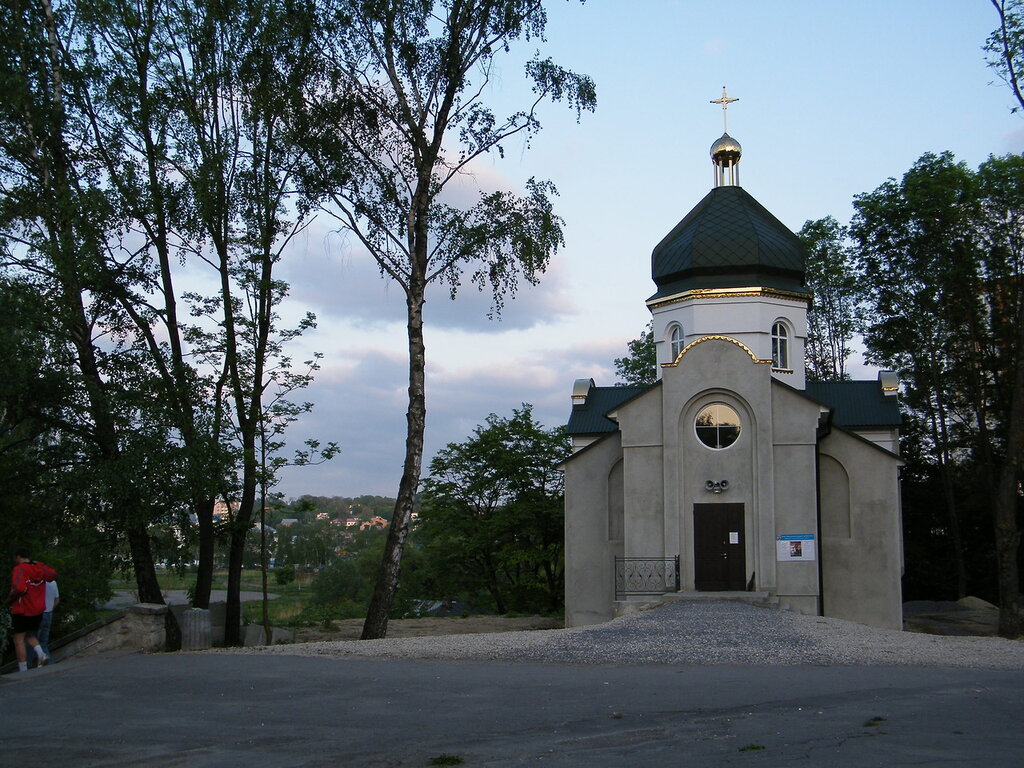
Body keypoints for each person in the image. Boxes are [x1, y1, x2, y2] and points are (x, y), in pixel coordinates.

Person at [7, 548, 57, 672]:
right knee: (30, 634)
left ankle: (23, 669)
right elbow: (53, 575)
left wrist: (10, 599)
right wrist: (39, 566)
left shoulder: (20, 569)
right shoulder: (38, 567)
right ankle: (41, 654)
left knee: (18, 639)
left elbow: (19, 588)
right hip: (38, 609)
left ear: (18, 557)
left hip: (23, 609)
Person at [28, 578, 59, 669]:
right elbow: (57, 600)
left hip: (38, 614)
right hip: (49, 613)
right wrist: (50, 609)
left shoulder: (35, 583)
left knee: (32, 640)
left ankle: (28, 666)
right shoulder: (53, 583)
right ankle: (48, 663)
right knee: (43, 641)